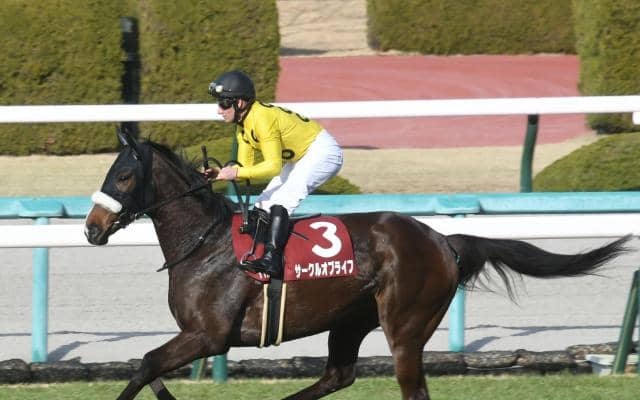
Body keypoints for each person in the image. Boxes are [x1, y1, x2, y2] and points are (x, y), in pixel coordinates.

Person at [205, 70, 344, 278]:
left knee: (282, 200)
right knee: (262, 204)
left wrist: (236, 171)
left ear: (240, 103)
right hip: (302, 156)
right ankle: (256, 252)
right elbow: (244, 168)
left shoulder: (262, 118)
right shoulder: (243, 126)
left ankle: (272, 261)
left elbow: (272, 167)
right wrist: (220, 173)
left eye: (223, 104)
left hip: (322, 151)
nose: (219, 110)